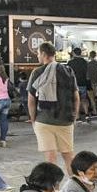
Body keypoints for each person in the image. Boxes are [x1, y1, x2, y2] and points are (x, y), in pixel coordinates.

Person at [27, 42, 79, 170]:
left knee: (50, 158)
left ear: (44, 54)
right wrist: (74, 117)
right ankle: (77, 187)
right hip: (65, 120)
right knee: (69, 157)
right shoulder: (68, 71)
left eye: (38, 54)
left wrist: (33, 120)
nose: (38, 56)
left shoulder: (37, 72)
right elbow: (76, 97)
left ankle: (52, 189)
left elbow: (31, 100)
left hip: (44, 121)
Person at [67, 47, 90, 122]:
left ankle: (77, 117)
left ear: (74, 53)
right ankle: (87, 115)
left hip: (74, 84)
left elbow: (67, 73)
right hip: (83, 82)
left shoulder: (70, 63)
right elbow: (87, 73)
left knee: (75, 100)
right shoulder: (85, 62)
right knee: (84, 99)